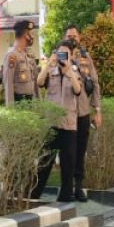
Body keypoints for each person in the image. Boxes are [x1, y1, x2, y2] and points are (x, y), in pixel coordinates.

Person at [31, 40, 84, 201]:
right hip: (52, 125)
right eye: (59, 53)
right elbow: (39, 82)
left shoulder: (75, 71)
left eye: (64, 54)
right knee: (44, 163)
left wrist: (69, 71)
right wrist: (48, 65)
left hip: (69, 124)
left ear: (70, 55)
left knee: (68, 165)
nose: (61, 56)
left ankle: (66, 197)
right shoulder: (51, 70)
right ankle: (33, 195)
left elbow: (78, 90)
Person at [70, 44, 102, 202]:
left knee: (80, 151)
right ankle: (66, 187)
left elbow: (95, 83)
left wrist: (97, 110)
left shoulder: (85, 57)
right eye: (69, 36)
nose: (72, 38)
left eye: (75, 36)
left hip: (83, 112)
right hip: (66, 114)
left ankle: (78, 187)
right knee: (67, 152)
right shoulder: (60, 56)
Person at [3, 19, 39, 104]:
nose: (33, 36)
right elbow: (8, 85)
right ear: (26, 35)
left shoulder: (29, 56)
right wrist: (11, 110)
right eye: (31, 33)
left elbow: (35, 83)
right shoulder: (12, 55)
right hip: (19, 104)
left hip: (32, 104)